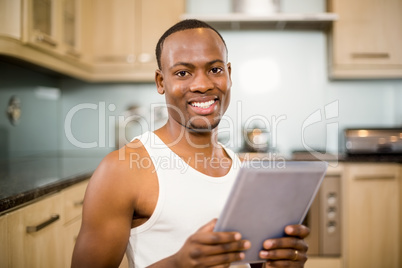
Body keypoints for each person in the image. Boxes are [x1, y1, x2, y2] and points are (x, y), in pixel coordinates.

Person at [71, 19, 309, 268]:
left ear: (229, 74)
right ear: (161, 82)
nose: (203, 85)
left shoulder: (242, 171)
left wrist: (280, 262)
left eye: (215, 69)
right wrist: (177, 264)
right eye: (183, 73)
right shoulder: (122, 170)